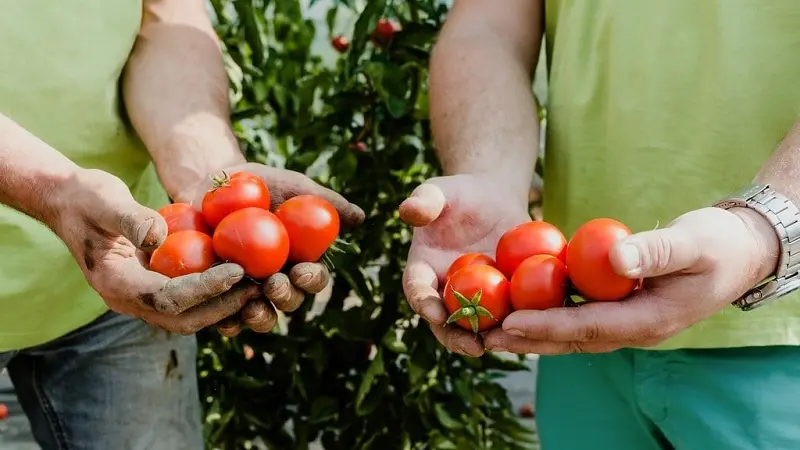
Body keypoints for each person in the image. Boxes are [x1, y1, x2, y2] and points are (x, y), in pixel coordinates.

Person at [401, 0, 800, 448]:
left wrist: (767, 227)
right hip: (571, 319)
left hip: (780, 340)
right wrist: (487, 174)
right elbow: (487, 26)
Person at [0, 1, 363, 449]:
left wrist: (210, 172)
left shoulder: (157, 244)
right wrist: (56, 192)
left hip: (131, 269)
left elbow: (165, 19)